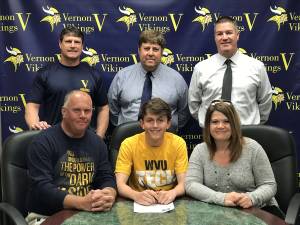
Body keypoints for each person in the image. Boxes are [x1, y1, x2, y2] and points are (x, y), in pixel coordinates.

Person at [26, 90, 116, 224]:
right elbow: (42, 189)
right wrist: (81, 202)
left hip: (86, 214)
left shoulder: (97, 143)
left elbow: (106, 177)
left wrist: (109, 194)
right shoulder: (43, 142)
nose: (83, 115)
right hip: (46, 215)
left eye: (87, 111)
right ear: (64, 112)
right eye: (77, 110)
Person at [185, 99, 284, 219]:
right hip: (217, 214)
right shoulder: (200, 150)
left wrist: (251, 198)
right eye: (215, 122)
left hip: (260, 211)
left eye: (226, 121)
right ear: (208, 126)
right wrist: (222, 198)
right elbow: (191, 184)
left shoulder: (253, 148)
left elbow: (269, 185)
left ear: (234, 124)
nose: (220, 126)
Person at [188, 16, 272, 128]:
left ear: (237, 35)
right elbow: (194, 104)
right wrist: (210, 124)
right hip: (213, 135)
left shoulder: (257, 67)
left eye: (229, 32)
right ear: (215, 37)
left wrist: (252, 125)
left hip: (247, 134)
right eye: (219, 34)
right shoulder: (201, 68)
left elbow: (265, 102)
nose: (224, 37)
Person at [25, 26, 109, 138]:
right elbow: (32, 106)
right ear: (60, 44)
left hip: (86, 141)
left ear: (82, 46)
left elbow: (103, 108)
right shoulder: (45, 74)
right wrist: (35, 126)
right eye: (68, 41)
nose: (73, 45)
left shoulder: (94, 75)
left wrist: (99, 138)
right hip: (53, 140)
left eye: (77, 42)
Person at [108, 30, 189, 131]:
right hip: (129, 139)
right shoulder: (122, 76)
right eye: (146, 48)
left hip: (165, 139)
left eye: (155, 49)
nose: (150, 53)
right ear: (139, 50)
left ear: (162, 52)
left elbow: (183, 113)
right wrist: (124, 128)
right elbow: (113, 110)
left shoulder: (177, 80)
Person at [115, 98, 188, 205]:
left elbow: (184, 184)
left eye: (160, 120)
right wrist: (136, 195)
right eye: (150, 120)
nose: (155, 125)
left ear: (168, 123)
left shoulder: (178, 144)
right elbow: (120, 185)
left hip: (168, 203)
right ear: (142, 123)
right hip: (138, 203)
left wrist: (173, 192)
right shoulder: (128, 144)